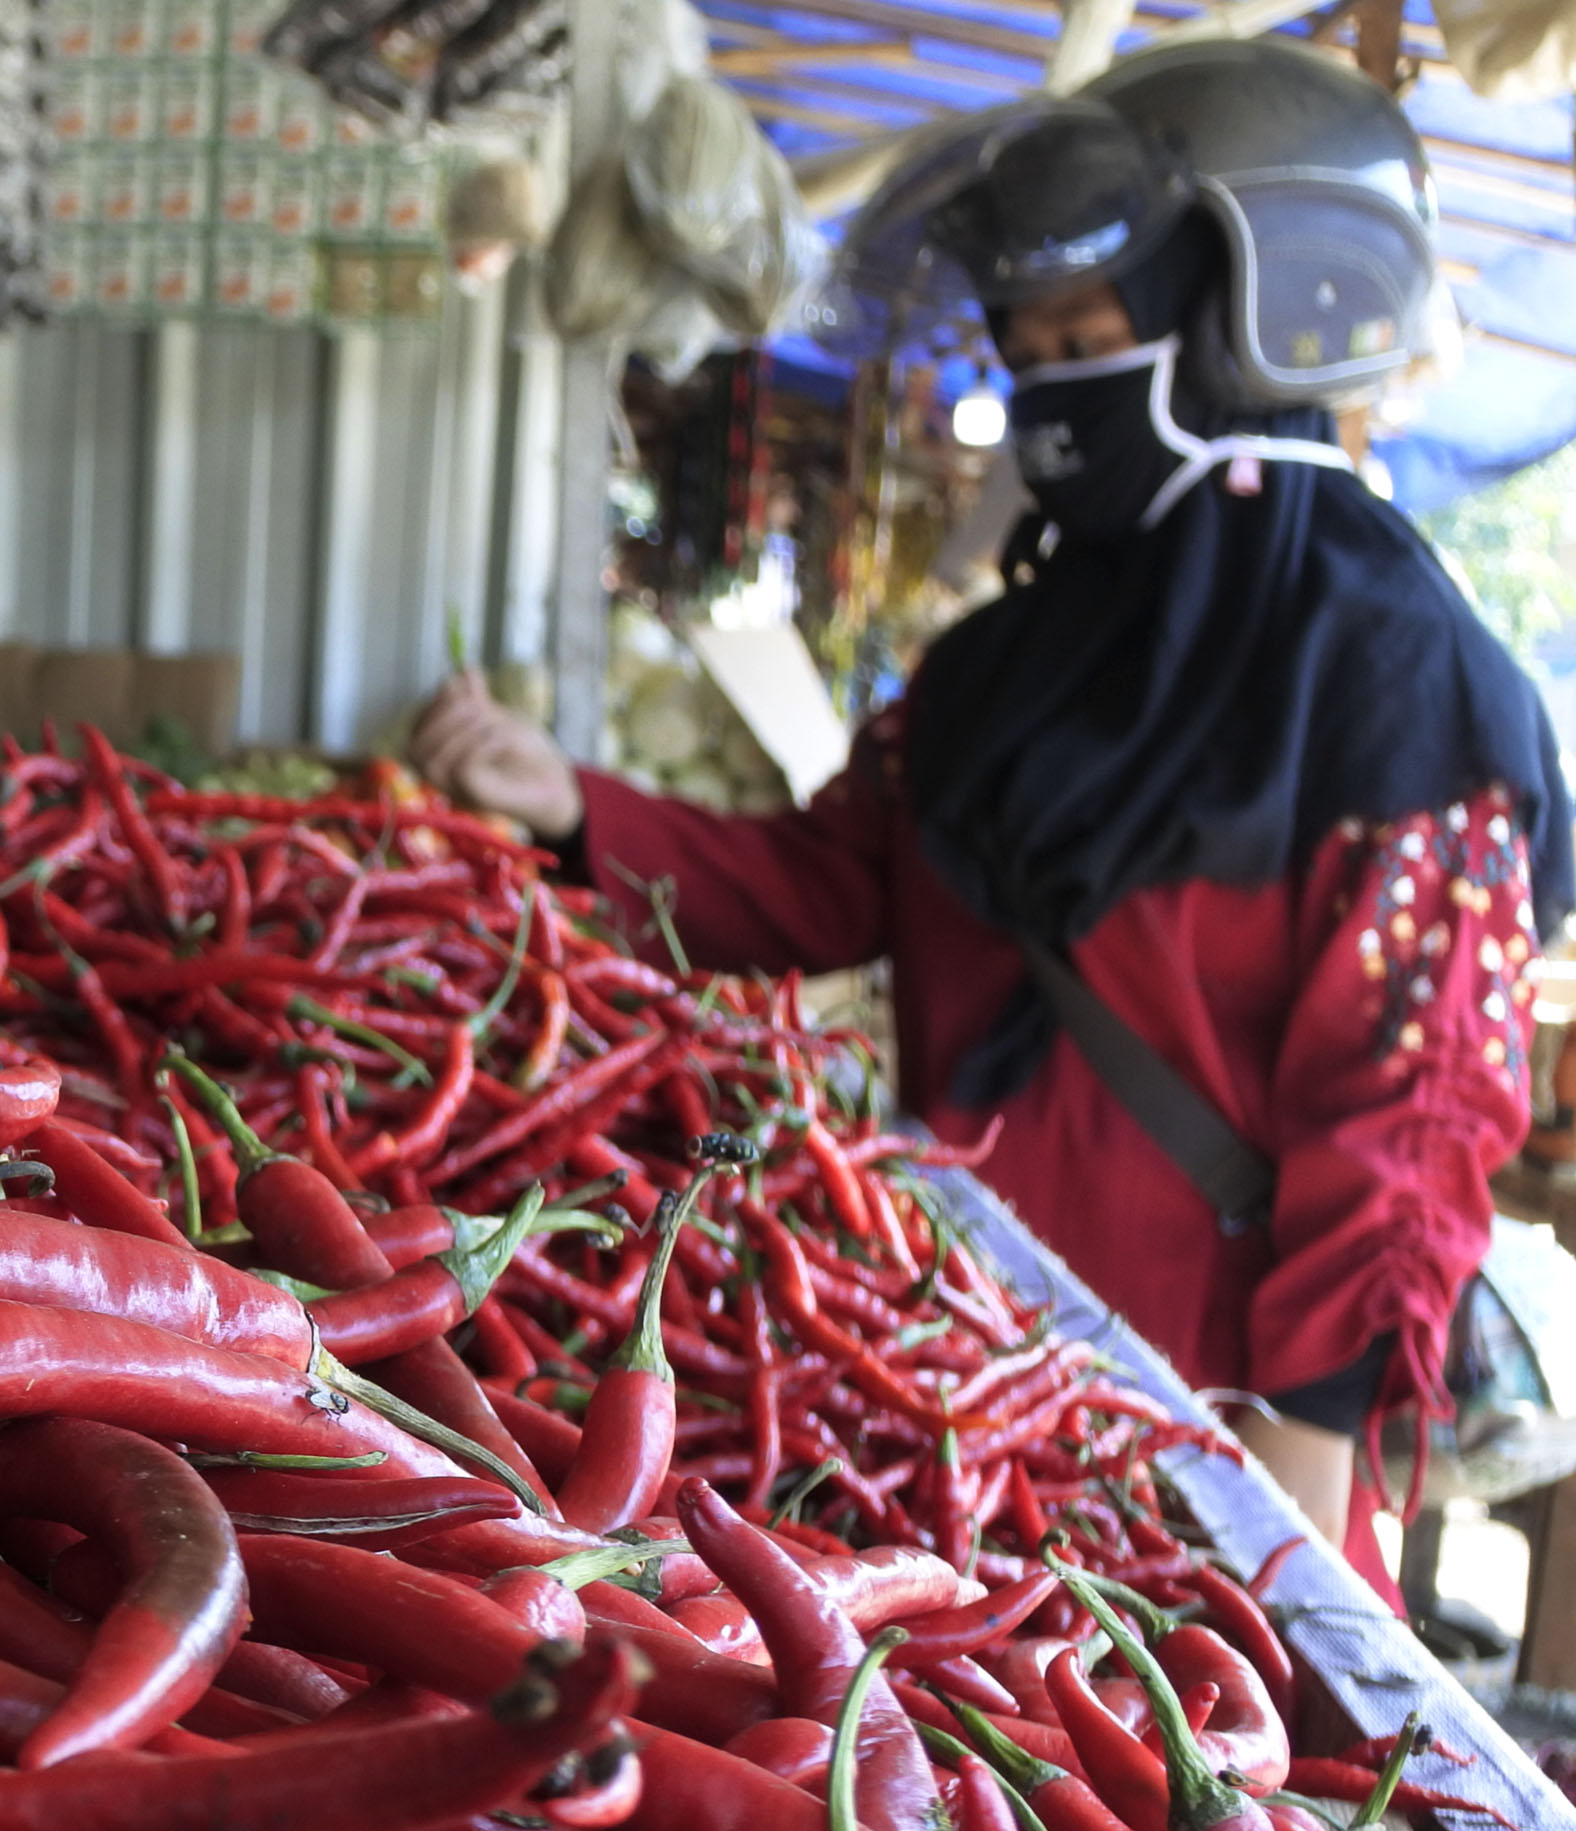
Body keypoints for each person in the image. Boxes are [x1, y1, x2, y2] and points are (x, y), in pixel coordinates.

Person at [412, 46, 1573, 1573]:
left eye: (1091, 333)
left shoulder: (1399, 681)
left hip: (1215, 1432)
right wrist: (573, 806)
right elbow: (822, 887)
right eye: (1027, 345)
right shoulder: (997, 666)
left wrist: (1292, 1485)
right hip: (944, 1372)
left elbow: (1405, 1128)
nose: (1049, 382)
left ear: (1242, 330)